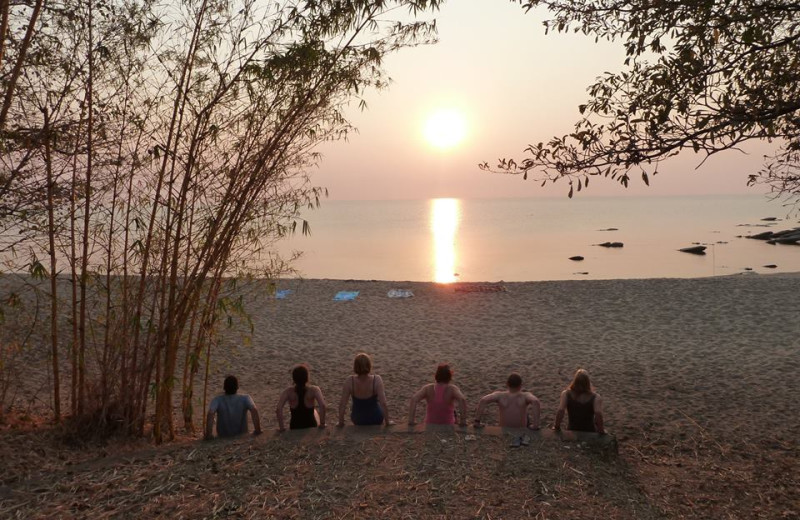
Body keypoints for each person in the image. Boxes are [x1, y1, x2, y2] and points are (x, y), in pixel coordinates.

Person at [337, 353, 392, 426]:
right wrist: (387, 422)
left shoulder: (350, 381)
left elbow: (342, 404)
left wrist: (341, 422)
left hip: (358, 419)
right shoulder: (377, 379)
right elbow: (383, 403)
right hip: (376, 418)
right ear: (369, 365)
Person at [473, 372, 541, 429]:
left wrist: (477, 421)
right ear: (521, 385)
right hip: (521, 429)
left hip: (503, 428)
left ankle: (476, 422)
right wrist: (535, 425)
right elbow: (535, 401)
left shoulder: (500, 395)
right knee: (526, 413)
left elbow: (483, 400)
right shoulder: (525, 396)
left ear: (507, 384)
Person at [205, 375, 262, 439]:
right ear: (237, 387)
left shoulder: (217, 400)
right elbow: (254, 410)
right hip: (241, 436)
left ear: (224, 388)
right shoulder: (245, 398)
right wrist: (258, 430)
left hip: (223, 437)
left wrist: (209, 434)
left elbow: (211, 413)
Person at [275, 364, 327, 431]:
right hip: (311, 425)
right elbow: (322, 406)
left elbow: (278, 409)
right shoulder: (314, 390)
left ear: (294, 378)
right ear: (307, 377)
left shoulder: (288, 391)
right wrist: (322, 424)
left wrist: (281, 428)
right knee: (314, 411)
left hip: (295, 426)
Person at [553, 368, 605, 434]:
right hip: (590, 430)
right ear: (588, 382)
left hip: (572, 429)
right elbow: (598, 414)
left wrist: (556, 426)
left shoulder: (566, 394)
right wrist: (601, 429)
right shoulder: (596, 397)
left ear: (575, 380)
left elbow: (561, 410)